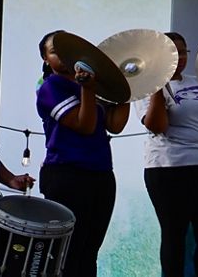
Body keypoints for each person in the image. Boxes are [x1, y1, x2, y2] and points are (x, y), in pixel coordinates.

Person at [140, 31, 198, 277]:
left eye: (183, 51)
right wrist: (157, 90)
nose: (179, 57)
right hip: (168, 168)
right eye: (172, 52)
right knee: (175, 235)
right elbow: (158, 126)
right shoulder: (146, 87)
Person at [36, 30, 131, 277]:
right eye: (55, 51)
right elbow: (85, 126)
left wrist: (128, 91)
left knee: (90, 251)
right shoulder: (51, 87)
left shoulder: (92, 85)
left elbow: (115, 124)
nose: (63, 56)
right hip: (67, 174)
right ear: (46, 59)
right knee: (68, 252)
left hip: (100, 175)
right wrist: (87, 89)